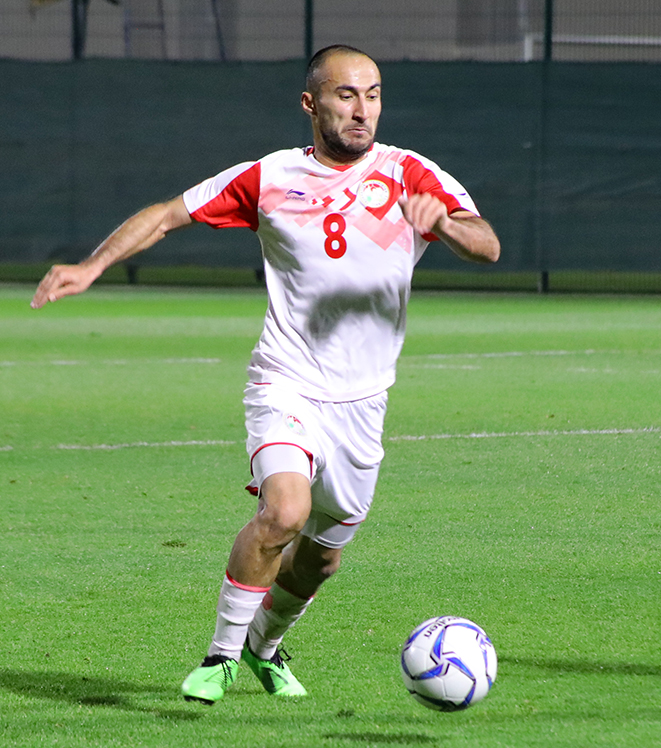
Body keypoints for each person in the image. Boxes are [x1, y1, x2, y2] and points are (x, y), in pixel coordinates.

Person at [31, 44, 501, 704]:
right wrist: (92, 266)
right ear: (311, 104)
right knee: (284, 509)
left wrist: (445, 224)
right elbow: (169, 215)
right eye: (345, 95)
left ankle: (264, 647)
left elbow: (488, 243)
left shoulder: (409, 173)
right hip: (285, 380)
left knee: (322, 557)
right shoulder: (270, 177)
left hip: (363, 403)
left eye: (372, 94)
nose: (361, 108)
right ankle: (220, 656)